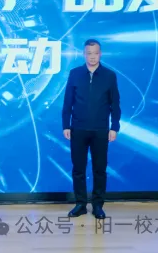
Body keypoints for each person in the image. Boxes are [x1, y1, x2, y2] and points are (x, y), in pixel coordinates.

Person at [62, 39, 120, 220]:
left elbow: (115, 103)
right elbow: (68, 102)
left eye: (96, 53)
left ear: (100, 54)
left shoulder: (109, 75)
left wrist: (114, 127)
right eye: (89, 53)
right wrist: (66, 125)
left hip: (100, 130)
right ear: (84, 54)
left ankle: (97, 205)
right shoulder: (75, 73)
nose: (92, 57)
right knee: (78, 169)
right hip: (78, 128)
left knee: (99, 169)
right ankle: (80, 204)